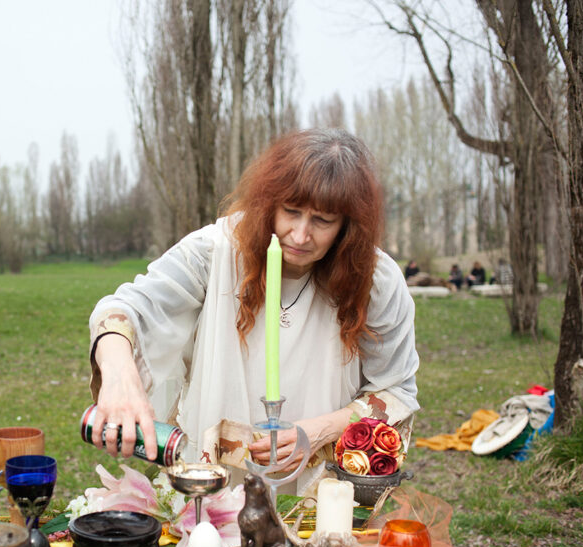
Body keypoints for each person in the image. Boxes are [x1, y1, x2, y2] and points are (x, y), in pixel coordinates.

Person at [86, 129, 419, 496]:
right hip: (214, 483)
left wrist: (320, 429)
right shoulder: (216, 251)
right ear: (269, 202)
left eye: (322, 221)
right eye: (291, 212)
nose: (300, 235)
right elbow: (123, 309)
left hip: (322, 492)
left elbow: (396, 392)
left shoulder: (376, 280)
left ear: (347, 226)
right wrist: (119, 375)